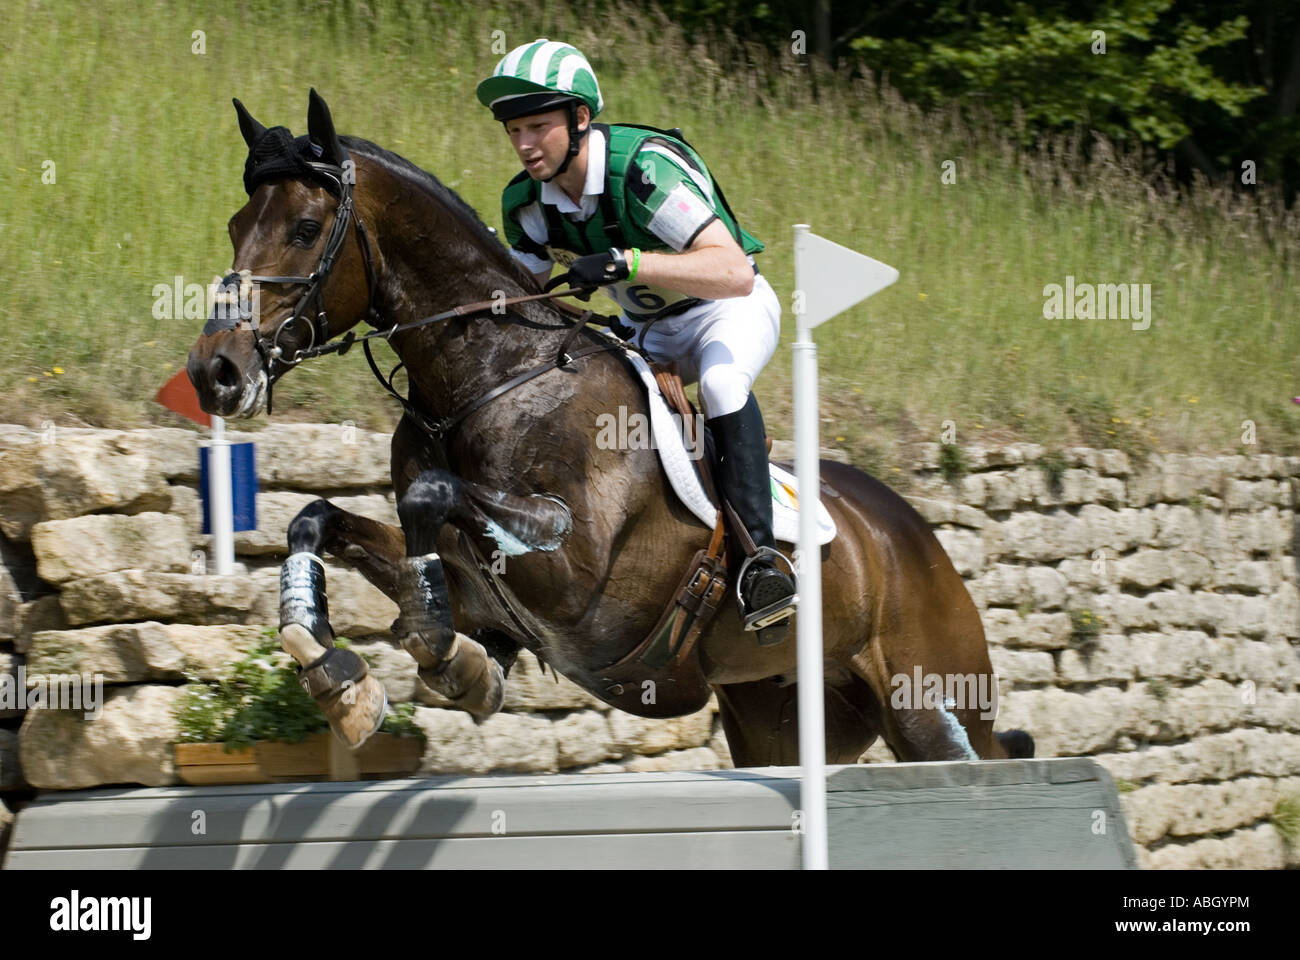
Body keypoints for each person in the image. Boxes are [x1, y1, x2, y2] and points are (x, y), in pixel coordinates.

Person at [477, 38, 797, 642]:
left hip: (724, 314)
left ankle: (761, 565)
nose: (523, 145)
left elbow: (734, 273)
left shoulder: (643, 170)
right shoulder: (525, 202)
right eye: (514, 130)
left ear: (580, 119)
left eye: (538, 127)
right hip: (644, 332)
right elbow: (530, 305)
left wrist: (628, 263)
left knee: (725, 383)